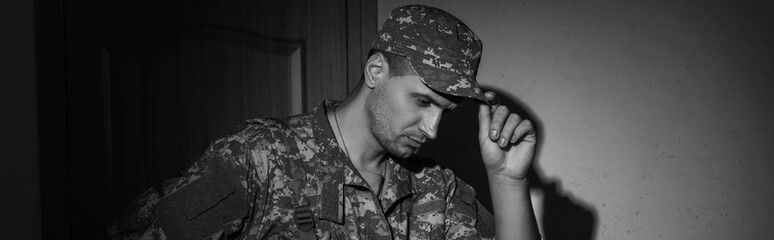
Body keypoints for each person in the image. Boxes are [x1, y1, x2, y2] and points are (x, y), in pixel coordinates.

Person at [108, 5, 540, 240]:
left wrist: (508, 180)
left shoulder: (436, 188)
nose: (432, 130)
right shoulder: (263, 157)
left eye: (445, 111)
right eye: (423, 101)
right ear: (375, 72)